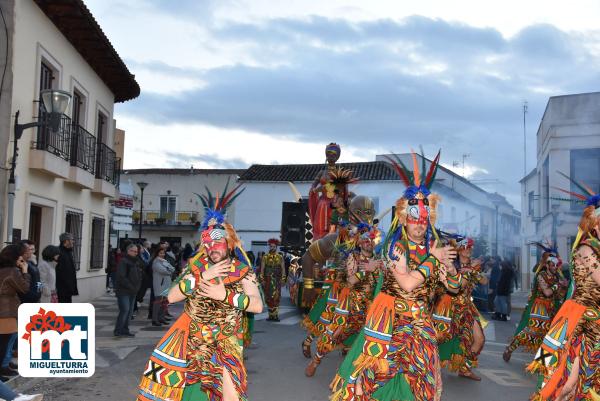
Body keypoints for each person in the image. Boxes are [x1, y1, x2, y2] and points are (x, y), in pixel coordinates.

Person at [331, 150, 460, 401]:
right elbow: (408, 284)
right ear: (404, 218)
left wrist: (452, 270)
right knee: (371, 383)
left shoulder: (434, 248)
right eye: (414, 218)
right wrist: (435, 259)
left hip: (422, 327)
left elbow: (453, 288)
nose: (419, 223)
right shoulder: (396, 248)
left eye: (424, 218)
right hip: (392, 326)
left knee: (427, 388)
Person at [136, 183, 262, 401]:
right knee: (192, 395)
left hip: (227, 340)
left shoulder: (243, 272)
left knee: (231, 395)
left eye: (218, 242)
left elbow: (257, 305)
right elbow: (173, 296)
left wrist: (224, 295)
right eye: (208, 243)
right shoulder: (195, 268)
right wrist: (202, 277)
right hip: (194, 340)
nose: (213, 248)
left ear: (230, 243)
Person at [527, 178, 600, 400]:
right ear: (595, 223)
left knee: (584, 383)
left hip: (595, 319)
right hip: (580, 319)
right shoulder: (586, 249)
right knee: (566, 381)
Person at [305, 224, 382, 377]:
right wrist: (367, 269)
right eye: (366, 239)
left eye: (372, 239)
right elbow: (352, 279)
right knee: (333, 334)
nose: (369, 242)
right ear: (359, 242)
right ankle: (315, 361)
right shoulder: (353, 257)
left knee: (368, 339)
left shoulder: (378, 260)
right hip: (349, 304)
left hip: (367, 307)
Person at [434, 237, 488, 381]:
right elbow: (460, 285)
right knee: (439, 337)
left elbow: (484, 281)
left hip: (467, 308)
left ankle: (465, 368)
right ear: (459, 249)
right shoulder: (451, 264)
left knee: (480, 339)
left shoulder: (472, 265)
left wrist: (476, 271)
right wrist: (470, 269)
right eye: (466, 247)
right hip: (448, 306)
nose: (469, 250)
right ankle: (423, 363)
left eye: (471, 247)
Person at [503, 244, 568, 362]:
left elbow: (558, 296)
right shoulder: (540, 276)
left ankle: (542, 362)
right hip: (539, 307)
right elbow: (547, 292)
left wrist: (563, 288)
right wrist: (558, 285)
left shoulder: (557, 278)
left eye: (556, 265)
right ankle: (510, 349)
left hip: (551, 309)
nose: (554, 267)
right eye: (552, 264)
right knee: (531, 332)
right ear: (547, 265)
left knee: (548, 335)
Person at [0, 244, 30, 379]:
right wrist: (25, 271)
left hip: (4, 310)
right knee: (4, 344)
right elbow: (24, 288)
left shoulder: (2, 270)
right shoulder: (13, 271)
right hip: (6, 311)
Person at [308, 142, 342, 240]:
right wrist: (313, 190)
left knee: (333, 224)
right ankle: (319, 241)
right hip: (323, 202)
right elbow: (313, 185)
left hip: (334, 202)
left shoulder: (339, 172)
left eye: (334, 154)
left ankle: (331, 241)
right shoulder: (321, 172)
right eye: (329, 154)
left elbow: (341, 187)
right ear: (326, 156)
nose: (331, 156)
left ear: (337, 157)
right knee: (320, 224)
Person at [113, 244, 142, 337]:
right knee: (125, 310)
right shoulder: (123, 261)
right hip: (123, 291)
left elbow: (139, 275)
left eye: (137, 251)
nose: (136, 253)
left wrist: (137, 286)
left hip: (133, 291)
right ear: (128, 251)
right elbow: (121, 277)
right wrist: (131, 286)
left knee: (129, 311)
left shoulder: (136, 262)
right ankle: (118, 330)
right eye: (134, 251)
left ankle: (125, 329)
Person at [260, 239, 285, 321]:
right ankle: (271, 315)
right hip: (268, 280)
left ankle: (276, 315)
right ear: (269, 247)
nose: (272, 248)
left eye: (274, 246)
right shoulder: (265, 257)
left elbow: (283, 268)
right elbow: (262, 269)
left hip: (277, 280)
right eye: (271, 246)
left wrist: (283, 279)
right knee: (268, 297)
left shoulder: (280, 257)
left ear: (276, 247)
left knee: (276, 297)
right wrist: (262, 279)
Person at [151, 248, 174, 326]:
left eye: (163, 253)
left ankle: (161, 317)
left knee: (164, 302)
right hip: (159, 285)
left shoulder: (165, 261)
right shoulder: (156, 262)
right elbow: (164, 271)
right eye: (160, 253)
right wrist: (169, 270)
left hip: (166, 284)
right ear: (157, 254)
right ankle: (155, 319)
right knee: (158, 302)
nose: (162, 255)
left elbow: (172, 269)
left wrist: (169, 270)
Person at [56, 233, 78, 303]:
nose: (73, 241)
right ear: (66, 241)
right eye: (72, 240)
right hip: (61, 289)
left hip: (68, 289)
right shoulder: (59, 253)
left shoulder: (68, 252)